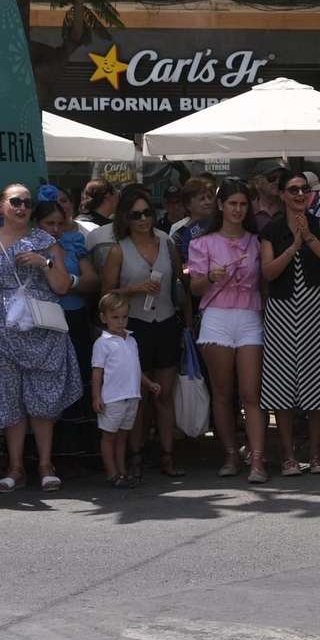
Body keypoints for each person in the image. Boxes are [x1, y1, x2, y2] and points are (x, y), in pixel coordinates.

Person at [0, 183, 80, 493]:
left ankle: (45, 464)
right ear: (1, 205)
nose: (22, 207)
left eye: (27, 203)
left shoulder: (44, 239)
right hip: (0, 327)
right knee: (7, 395)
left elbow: (61, 287)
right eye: (15, 201)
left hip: (39, 326)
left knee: (42, 395)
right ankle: (14, 467)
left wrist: (45, 263)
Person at [100, 185, 189, 479]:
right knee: (136, 396)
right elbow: (105, 294)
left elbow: (180, 286)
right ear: (125, 217)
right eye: (135, 214)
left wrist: (186, 327)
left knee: (163, 395)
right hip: (133, 327)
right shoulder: (118, 250)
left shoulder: (166, 243)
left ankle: (167, 456)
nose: (143, 219)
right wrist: (134, 289)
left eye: (147, 212)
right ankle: (135, 457)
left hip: (164, 323)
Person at [260, 169, 320, 475]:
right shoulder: (271, 229)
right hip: (281, 309)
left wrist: (308, 237)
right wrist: (293, 246)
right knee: (281, 382)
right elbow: (268, 272)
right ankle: (288, 455)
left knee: (316, 379)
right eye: (292, 190)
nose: (298, 195)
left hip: (316, 306)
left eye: (303, 190)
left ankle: (317, 453)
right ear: (281, 194)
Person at [190, 179, 268, 482]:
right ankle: (231, 454)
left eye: (243, 204)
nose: (238, 209)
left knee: (251, 392)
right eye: (232, 203)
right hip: (216, 316)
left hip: (250, 314)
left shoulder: (256, 241)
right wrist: (210, 275)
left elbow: (264, 282)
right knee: (223, 393)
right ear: (221, 205)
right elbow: (194, 288)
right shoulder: (203, 243)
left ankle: (258, 461)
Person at [35, 198, 101, 470]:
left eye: (60, 223)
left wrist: (68, 282)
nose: (56, 229)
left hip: (74, 319)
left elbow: (93, 281)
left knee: (79, 380)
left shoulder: (74, 241)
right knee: (50, 383)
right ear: (35, 224)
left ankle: (81, 454)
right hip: (43, 322)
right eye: (49, 223)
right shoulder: (29, 247)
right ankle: (49, 457)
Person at [92, 293, 161, 489]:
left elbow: (135, 367)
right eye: (115, 317)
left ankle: (122, 472)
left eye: (124, 316)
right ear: (103, 318)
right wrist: (96, 396)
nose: (120, 321)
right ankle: (112, 473)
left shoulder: (131, 340)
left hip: (131, 397)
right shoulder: (102, 343)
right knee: (109, 436)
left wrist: (148, 384)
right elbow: (97, 372)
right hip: (112, 398)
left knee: (123, 436)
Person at [171, 176, 217, 262]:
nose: (208, 202)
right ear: (188, 205)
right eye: (202, 199)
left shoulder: (221, 226)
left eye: (210, 197)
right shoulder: (178, 237)